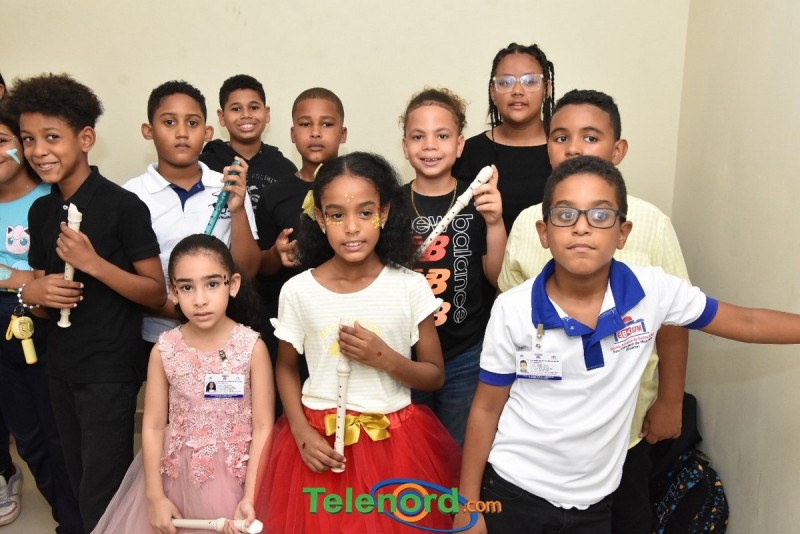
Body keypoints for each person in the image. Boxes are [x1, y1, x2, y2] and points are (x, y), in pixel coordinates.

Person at [454, 155, 800, 533]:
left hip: (596, 500)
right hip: (514, 490)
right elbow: (486, 408)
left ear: (623, 233)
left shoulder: (652, 291)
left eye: (600, 215)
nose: (582, 227)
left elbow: (748, 322)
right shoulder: (513, 308)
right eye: (565, 214)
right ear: (544, 232)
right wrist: (468, 505)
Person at [498, 89, 689, 533]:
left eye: (590, 137)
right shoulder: (528, 223)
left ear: (617, 150)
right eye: (560, 137)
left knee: (625, 517)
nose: (574, 149)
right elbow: (513, 318)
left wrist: (671, 400)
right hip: (544, 428)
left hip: (626, 424)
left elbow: (675, 321)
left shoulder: (650, 224)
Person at [254, 152, 461, 533]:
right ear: (320, 219)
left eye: (365, 213)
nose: (352, 227)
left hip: (395, 445)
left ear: (384, 213)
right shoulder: (298, 291)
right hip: (318, 444)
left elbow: (434, 376)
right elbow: (285, 366)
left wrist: (384, 357)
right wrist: (300, 432)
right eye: (337, 215)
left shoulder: (409, 286)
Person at [9, 73, 166, 531]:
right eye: (28, 139)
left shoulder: (123, 206)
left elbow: (155, 292)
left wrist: (93, 264)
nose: (39, 150)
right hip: (58, 365)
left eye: (51, 137)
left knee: (103, 485)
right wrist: (31, 293)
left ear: (85, 139)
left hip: (108, 369)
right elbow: (41, 295)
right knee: (74, 472)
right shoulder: (41, 210)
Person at [93, 234, 273, 534]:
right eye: (187, 287)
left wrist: (250, 496)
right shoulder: (164, 349)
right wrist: (155, 497)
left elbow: (263, 427)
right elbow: (153, 426)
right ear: (173, 292)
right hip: (177, 478)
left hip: (240, 479)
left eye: (212, 284)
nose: (200, 299)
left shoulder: (252, 348)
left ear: (233, 285)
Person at [123, 80, 261, 362]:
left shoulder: (228, 187)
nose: (182, 133)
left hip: (221, 334)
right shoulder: (130, 196)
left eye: (193, 123)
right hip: (155, 336)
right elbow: (131, 280)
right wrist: (181, 309)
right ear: (148, 130)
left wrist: (237, 211)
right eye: (169, 122)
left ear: (207, 132)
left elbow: (247, 271)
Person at [398, 88, 505, 445]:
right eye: (418, 137)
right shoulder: (391, 204)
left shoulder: (478, 200)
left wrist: (495, 223)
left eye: (442, 136)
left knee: (455, 447)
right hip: (407, 355)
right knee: (413, 449)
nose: (430, 146)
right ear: (405, 146)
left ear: (459, 145)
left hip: (465, 353)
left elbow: (497, 276)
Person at [0, 100, 83, 532]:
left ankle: (75, 520)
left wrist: (19, 282)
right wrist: (18, 280)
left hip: (48, 328)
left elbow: (59, 279)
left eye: (2, 141)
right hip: (7, 326)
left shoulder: (51, 199)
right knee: (28, 438)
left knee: (59, 432)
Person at [255, 87, 347, 415]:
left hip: (345, 318)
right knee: (293, 404)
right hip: (293, 323)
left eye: (327, 124)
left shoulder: (357, 186)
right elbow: (260, 265)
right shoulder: (275, 195)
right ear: (293, 134)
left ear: (343, 133)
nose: (316, 132)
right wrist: (274, 254)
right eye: (306, 124)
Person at [453, 42, 555, 233]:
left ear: (547, 89)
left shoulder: (565, 149)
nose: (517, 91)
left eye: (530, 81)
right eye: (505, 82)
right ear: (493, 92)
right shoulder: (468, 152)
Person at [200, 74, 296, 211]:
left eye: (254, 107)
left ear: (266, 113)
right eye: (236, 109)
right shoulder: (204, 166)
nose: (246, 115)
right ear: (222, 117)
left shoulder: (285, 169)